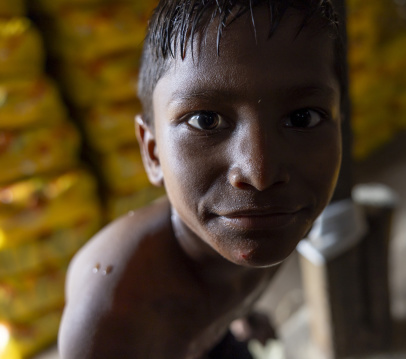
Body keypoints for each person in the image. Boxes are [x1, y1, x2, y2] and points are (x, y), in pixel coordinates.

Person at [58, 0, 345, 357]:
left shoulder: (273, 219)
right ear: (152, 153)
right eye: (205, 121)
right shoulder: (113, 313)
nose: (260, 174)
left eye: (303, 118)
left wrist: (240, 314)